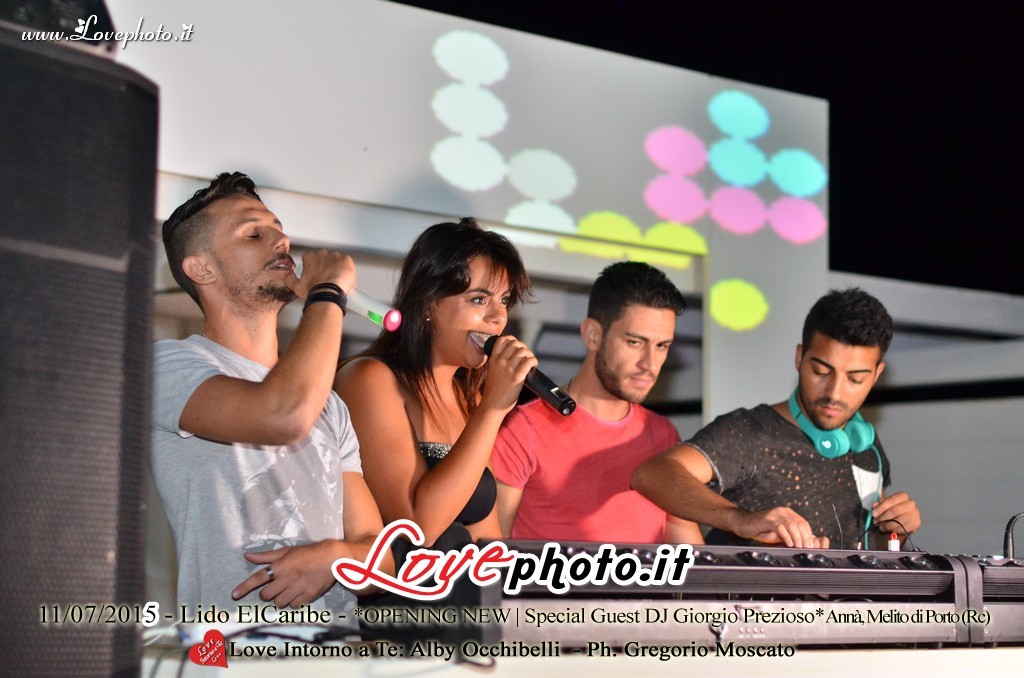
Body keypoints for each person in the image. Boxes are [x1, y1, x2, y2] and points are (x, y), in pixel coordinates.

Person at [151, 172, 383, 617]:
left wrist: (338, 557)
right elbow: (282, 416)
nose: (281, 241)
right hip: (233, 645)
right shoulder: (170, 365)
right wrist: (328, 292)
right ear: (201, 269)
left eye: (279, 229)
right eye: (254, 234)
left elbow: (380, 557)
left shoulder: (329, 405)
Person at [632, 287, 922, 550]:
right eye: (821, 372)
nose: (834, 392)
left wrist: (895, 530)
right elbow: (653, 474)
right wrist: (740, 519)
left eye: (855, 379)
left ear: (876, 375)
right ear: (799, 358)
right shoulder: (750, 433)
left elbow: (871, 548)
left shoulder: (867, 448)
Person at [333, 218, 536, 556]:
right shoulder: (370, 378)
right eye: (479, 300)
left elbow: (486, 534)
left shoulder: (469, 396)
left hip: (463, 586)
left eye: (504, 300)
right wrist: (493, 409)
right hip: (399, 587)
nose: (498, 317)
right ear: (428, 303)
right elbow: (416, 528)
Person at [492, 261, 703, 544]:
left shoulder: (663, 435)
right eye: (635, 342)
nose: (650, 364)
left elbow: (690, 555)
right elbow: (493, 551)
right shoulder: (523, 428)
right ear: (593, 335)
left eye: (662, 346)